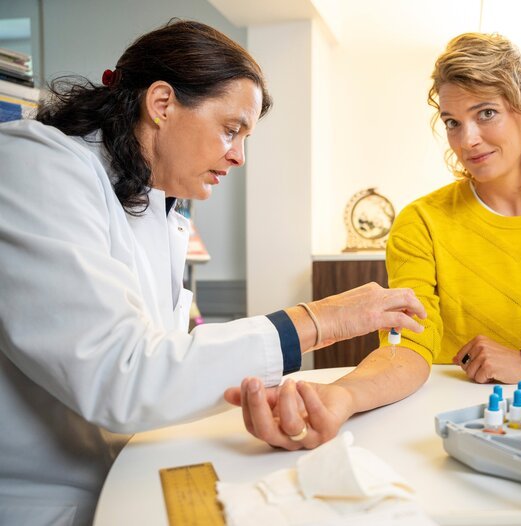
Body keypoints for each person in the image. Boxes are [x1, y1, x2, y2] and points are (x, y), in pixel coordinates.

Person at [0, 20, 425, 526]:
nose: (239, 156)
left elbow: (165, 356)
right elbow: (122, 375)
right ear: (161, 103)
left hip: (128, 467)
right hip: (47, 500)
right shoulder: (35, 167)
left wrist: (251, 391)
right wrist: (318, 320)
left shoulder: (152, 198)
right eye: (230, 129)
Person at [229, 32, 521, 451]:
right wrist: (340, 397)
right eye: (451, 121)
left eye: (486, 113)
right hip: (454, 424)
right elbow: (408, 347)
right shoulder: (422, 221)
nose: (468, 140)